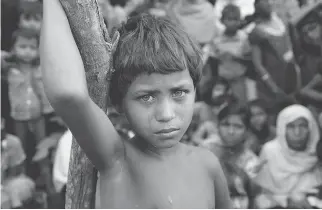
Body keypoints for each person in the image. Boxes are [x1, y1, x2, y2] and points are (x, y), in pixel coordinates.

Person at [41, 0, 232, 208]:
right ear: (119, 104)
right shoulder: (118, 158)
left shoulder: (207, 164)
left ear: (195, 91)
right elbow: (68, 94)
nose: (166, 114)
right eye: (147, 97)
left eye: (179, 92)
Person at [254, 104, 322, 208]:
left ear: (311, 128)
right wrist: (287, 201)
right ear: (282, 128)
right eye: (291, 126)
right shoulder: (271, 152)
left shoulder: (317, 152)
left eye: (303, 126)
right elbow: (259, 193)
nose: (297, 132)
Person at [196, 103, 262, 208]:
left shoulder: (251, 161)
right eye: (226, 125)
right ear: (217, 126)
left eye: (238, 126)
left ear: (247, 131)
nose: (231, 131)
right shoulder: (204, 150)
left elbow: (253, 197)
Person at [249, 0, 301, 107]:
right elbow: (257, 64)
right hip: (273, 78)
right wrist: (271, 85)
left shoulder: (283, 21)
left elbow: (293, 45)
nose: (267, 6)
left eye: (267, 3)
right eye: (262, 5)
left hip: (291, 74)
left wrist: (297, 69)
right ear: (257, 9)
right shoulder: (257, 32)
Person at [7, 28, 46, 163]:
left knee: (42, 146)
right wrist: (7, 55)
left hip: (38, 116)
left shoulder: (40, 68)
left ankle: (46, 177)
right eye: (22, 47)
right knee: (20, 147)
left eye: (32, 47)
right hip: (18, 116)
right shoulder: (9, 69)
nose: (28, 51)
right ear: (13, 48)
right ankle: (20, 174)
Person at [209, 4, 252, 104]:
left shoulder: (244, 38)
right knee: (221, 108)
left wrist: (236, 58)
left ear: (240, 21)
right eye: (229, 19)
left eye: (235, 19)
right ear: (222, 20)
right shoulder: (217, 40)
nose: (232, 22)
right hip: (222, 81)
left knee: (241, 107)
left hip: (239, 80)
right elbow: (212, 63)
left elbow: (250, 61)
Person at [1, 118, 36, 209]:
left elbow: (17, 172)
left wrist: (6, 156)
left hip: (12, 182)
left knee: (17, 189)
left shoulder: (13, 142)